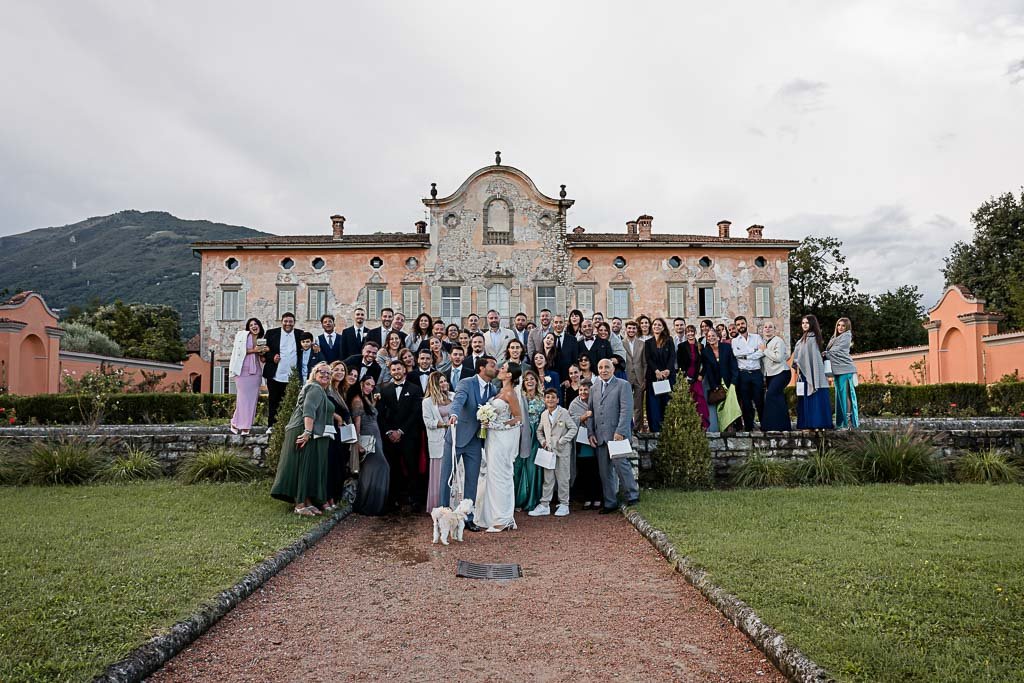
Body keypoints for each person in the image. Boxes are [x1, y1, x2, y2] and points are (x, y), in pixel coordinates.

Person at [441, 356, 499, 532]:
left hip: (475, 440)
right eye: (492, 365)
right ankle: (443, 515)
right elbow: (458, 401)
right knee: (447, 478)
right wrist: (454, 415)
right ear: (482, 368)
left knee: (472, 480)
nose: (496, 368)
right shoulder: (466, 383)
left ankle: (468, 518)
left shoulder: (493, 388)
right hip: (457, 437)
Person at [271, 362, 333, 516]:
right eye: (322, 371)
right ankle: (299, 505)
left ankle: (306, 502)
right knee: (302, 466)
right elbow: (309, 409)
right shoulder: (314, 387)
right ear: (314, 373)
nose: (325, 375)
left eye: (328, 373)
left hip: (308, 430)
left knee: (307, 466)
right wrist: (307, 432)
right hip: (302, 429)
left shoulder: (320, 390)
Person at [588, 359, 639, 513]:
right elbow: (591, 412)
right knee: (605, 472)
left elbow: (626, 410)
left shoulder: (623, 385)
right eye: (600, 367)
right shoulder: (594, 388)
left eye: (607, 367)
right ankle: (610, 502)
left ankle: (633, 495)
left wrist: (620, 431)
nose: (603, 370)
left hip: (617, 435)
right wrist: (591, 432)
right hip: (600, 436)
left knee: (621, 466)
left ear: (613, 369)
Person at [476, 361, 523, 532]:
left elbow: (518, 418)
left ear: (509, 374)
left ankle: (503, 519)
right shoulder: (498, 391)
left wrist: (497, 425)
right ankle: (494, 516)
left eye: (503, 368)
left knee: (502, 476)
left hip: (502, 438)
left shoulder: (510, 393)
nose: (499, 370)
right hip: (492, 438)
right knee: (492, 475)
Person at [377, 358, 425, 510]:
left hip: (409, 436)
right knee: (393, 468)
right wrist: (389, 432)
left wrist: (401, 431)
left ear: (404, 370)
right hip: (390, 437)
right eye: (394, 370)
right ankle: (393, 500)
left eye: (399, 369)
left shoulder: (415, 389)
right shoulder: (385, 390)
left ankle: (415, 500)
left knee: (412, 468)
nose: (396, 372)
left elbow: (416, 413)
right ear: (390, 372)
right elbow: (381, 414)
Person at [531, 387, 578, 517]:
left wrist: (563, 440)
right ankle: (545, 504)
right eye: (547, 397)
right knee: (548, 479)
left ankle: (564, 504)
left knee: (563, 478)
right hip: (549, 452)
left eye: (553, 397)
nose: (550, 400)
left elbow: (573, 428)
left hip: (562, 451)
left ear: (557, 400)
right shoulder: (544, 414)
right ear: (544, 400)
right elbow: (539, 431)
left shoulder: (564, 413)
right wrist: (543, 441)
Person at [349, 375, 389, 515]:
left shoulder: (366, 399)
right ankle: (368, 504)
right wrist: (357, 443)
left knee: (372, 469)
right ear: (361, 383)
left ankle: (373, 504)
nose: (370, 388)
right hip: (367, 439)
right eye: (367, 384)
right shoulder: (357, 400)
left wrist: (374, 402)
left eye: (372, 386)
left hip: (375, 437)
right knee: (380, 467)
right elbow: (357, 424)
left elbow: (370, 414)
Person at [262, 312, 304, 430]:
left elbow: (306, 348)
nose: (288, 324)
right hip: (275, 375)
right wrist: (272, 357)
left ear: (294, 323)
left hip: (293, 376)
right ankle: (271, 426)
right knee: (273, 401)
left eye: (290, 321)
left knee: (292, 402)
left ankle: (290, 427)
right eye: (285, 321)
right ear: (282, 322)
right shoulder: (271, 333)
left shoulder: (300, 334)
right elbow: (263, 351)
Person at [794, 314, 834, 430]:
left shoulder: (812, 339)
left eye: (807, 323)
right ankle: (806, 422)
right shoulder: (803, 339)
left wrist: (799, 362)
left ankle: (817, 423)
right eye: (803, 323)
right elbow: (800, 356)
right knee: (805, 398)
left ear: (812, 324)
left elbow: (812, 358)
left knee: (814, 397)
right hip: (804, 373)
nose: (804, 325)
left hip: (812, 373)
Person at [421, 372, 454, 512]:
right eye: (441, 382)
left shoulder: (453, 396)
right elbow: (428, 422)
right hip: (438, 441)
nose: (444, 384)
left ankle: (453, 503)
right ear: (434, 384)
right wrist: (445, 425)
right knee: (440, 473)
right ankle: (439, 505)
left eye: (445, 381)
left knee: (454, 470)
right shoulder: (427, 402)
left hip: (454, 439)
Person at [513, 369, 545, 512]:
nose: (529, 381)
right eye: (526, 380)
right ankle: (517, 500)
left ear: (536, 381)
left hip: (537, 436)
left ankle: (532, 499)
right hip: (522, 435)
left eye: (532, 379)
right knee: (519, 466)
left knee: (533, 468)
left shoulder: (543, 398)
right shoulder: (519, 397)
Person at [228, 317, 266, 435]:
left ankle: (245, 426)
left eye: (256, 324)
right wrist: (255, 350)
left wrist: (264, 352)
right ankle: (236, 422)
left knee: (252, 400)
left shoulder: (262, 339)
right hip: (242, 371)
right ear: (248, 328)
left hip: (255, 372)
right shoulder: (243, 337)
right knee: (242, 398)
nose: (254, 326)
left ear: (259, 326)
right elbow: (239, 351)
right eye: (251, 325)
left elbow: (262, 359)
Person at [568, 379, 602, 509]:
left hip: (597, 439)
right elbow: (570, 421)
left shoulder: (598, 401)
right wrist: (583, 417)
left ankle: (598, 497)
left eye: (585, 390)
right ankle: (587, 498)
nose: (582, 392)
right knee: (585, 471)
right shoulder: (574, 404)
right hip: (582, 443)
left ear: (591, 390)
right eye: (580, 390)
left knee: (597, 470)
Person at [324, 361, 351, 511]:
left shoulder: (341, 390)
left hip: (341, 433)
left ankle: (334, 497)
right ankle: (327, 498)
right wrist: (338, 417)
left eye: (342, 370)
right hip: (331, 431)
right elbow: (323, 405)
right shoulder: (326, 389)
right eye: (336, 369)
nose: (340, 372)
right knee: (331, 465)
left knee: (339, 465)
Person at [731, 315, 765, 432]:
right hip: (743, 374)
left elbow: (762, 352)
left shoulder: (757, 337)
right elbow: (736, 354)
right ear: (736, 327)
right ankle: (748, 428)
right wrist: (753, 351)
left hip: (756, 373)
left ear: (746, 324)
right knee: (746, 403)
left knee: (759, 400)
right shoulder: (734, 341)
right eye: (738, 324)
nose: (741, 326)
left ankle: (764, 425)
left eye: (742, 323)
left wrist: (746, 355)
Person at [703, 329, 741, 432]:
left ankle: (731, 425)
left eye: (713, 335)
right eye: (709, 336)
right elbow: (708, 371)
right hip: (717, 383)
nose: (711, 338)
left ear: (718, 337)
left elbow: (733, 364)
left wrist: (734, 381)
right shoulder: (706, 352)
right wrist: (714, 385)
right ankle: (723, 426)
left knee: (731, 402)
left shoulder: (726, 347)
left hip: (729, 381)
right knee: (721, 404)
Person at [644, 318, 676, 433]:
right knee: (654, 405)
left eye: (659, 325)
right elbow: (648, 358)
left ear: (663, 328)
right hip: (653, 378)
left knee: (666, 403)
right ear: (652, 327)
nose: (656, 326)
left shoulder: (669, 340)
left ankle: (668, 430)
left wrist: (667, 370)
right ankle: (655, 430)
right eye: (655, 324)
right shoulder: (648, 342)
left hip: (667, 377)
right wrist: (656, 371)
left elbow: (672, 356)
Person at [826, 318, 859, 429]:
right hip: (837, 370)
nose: (840, 327)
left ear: (847, 327)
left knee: (846, 395)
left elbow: (837, 351)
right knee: (840, 396)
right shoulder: (834, 338)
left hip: (846, 369)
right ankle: (841, 423)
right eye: (838, 325)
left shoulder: (847, 336)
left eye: (843, 325)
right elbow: (831, 350)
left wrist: (826, 353)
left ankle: (848, 422)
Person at [761, 321, 792, 431]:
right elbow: (786, 355)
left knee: (771, 395)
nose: (767, 329)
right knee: (777, 397)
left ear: (774, 330)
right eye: (765, 327)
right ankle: (779, 425)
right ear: (763, 330)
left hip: (782, 373)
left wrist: (765, 351)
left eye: (770, 327)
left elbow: (779, 358)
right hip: (770, 375)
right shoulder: (764, 342)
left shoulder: (778, 341)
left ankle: (775, 425)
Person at [678, 325, 710, 430]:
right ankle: (688, 426)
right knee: (687, 401)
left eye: (692, 331)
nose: (690, 334)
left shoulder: (700, 346)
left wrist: (701, 375)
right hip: (686, 378)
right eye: (688, 332)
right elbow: (680, 364)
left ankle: (701, 425)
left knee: (699, 401)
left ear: (695, 332)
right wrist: (684, 377)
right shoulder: (681, 346)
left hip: (697, 378)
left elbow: (705, 363)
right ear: (685, 334)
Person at [621, 319, 647, 430]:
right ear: (626, 329)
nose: (631, 330)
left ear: (637, 330)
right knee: (625, 405)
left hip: (639, 377)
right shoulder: (621, 343)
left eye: (633, 328)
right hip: (626, 377)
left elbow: (644, 362)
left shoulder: (642, 344)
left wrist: (644, 379)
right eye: (629, 328)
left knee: (638, 405)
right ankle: (626, 428)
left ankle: (637, 428)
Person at [552, 314, 579, 381]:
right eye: (556, 322)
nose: (558, 324)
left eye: (561, 322)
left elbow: (575, 360)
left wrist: (571, 378)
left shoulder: (572, 339)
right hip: (551, 377)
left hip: (568, 378)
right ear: (552, 324)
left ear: (565, 324)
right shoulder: (547, 339)